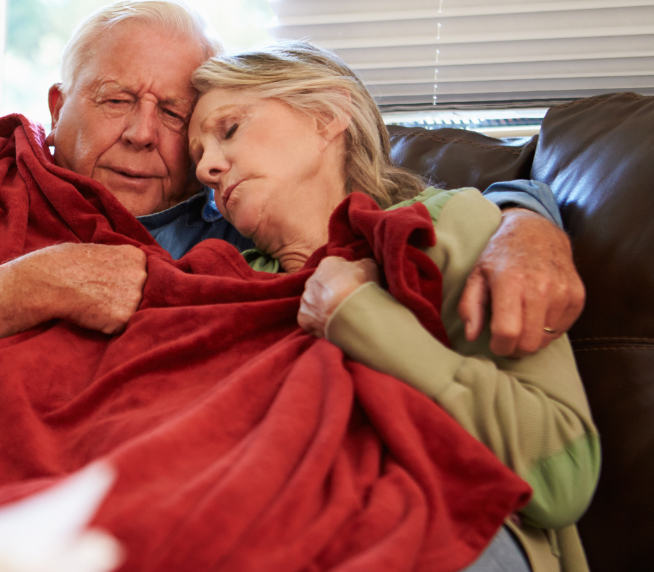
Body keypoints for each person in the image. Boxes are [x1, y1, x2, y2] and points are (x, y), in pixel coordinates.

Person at [0, 0, 585, 418]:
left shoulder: (233, 209)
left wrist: (529, 225)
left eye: (175, 114)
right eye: (113, 102)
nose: (145, 135)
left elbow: (390, 195)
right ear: (58, 105)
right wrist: (23, 288)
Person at [186, 40, 598, 572]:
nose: (207, 170)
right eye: (197, 157)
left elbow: (562, 477)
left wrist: (359, 316)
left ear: (327, 116)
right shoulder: (225, 281)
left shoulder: (451, 227)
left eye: (229, 129)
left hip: (456, 533)